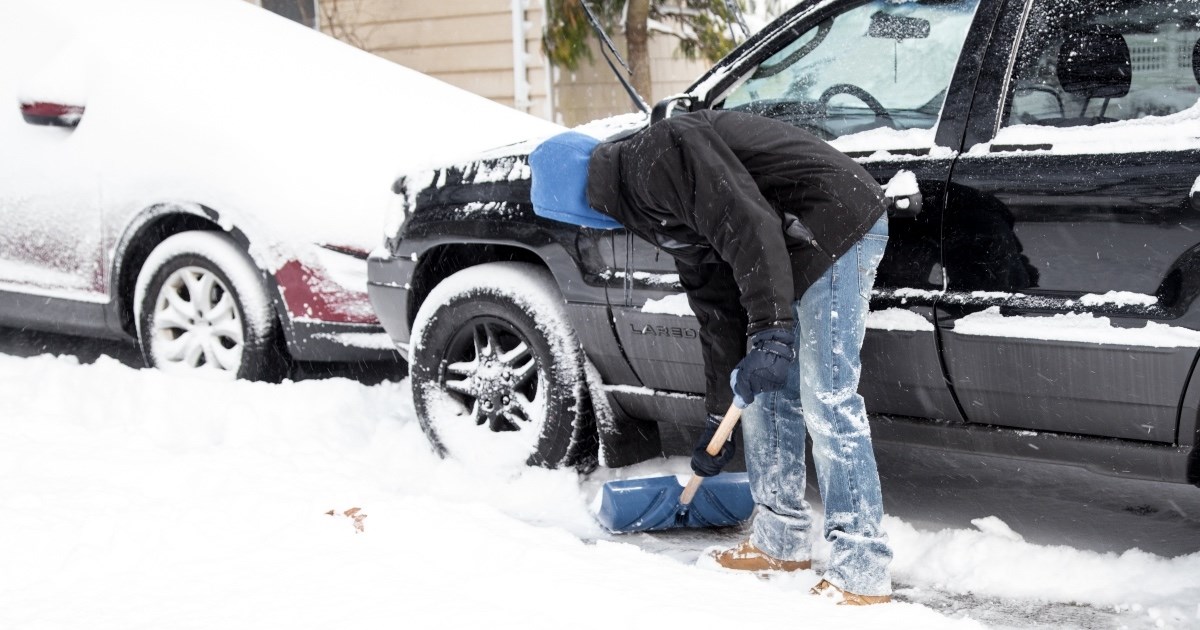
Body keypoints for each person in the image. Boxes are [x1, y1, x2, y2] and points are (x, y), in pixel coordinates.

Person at [577, 109, 893, 604]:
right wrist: (718, 411)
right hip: (791, 238)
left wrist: (772, 331)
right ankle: (780, 541)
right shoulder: (656, 207)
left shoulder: (661, 153)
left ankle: (862, 568)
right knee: (764, 394)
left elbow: (749, 222)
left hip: (834, 221)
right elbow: (717, 305)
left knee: (827, 396)